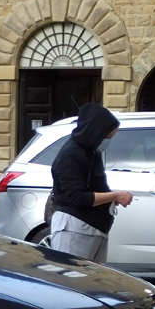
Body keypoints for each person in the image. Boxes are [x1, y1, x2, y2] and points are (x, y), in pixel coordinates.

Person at [48, 103, 133, 263]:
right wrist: (114, 195)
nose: (108, 141)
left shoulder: (91, 152)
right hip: (76, 229)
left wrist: (111, 196)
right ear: (96, 133)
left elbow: (92, 187)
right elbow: (77, 197)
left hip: (92, 229)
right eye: (108, 137)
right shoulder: (71, 155)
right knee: (73, 280)